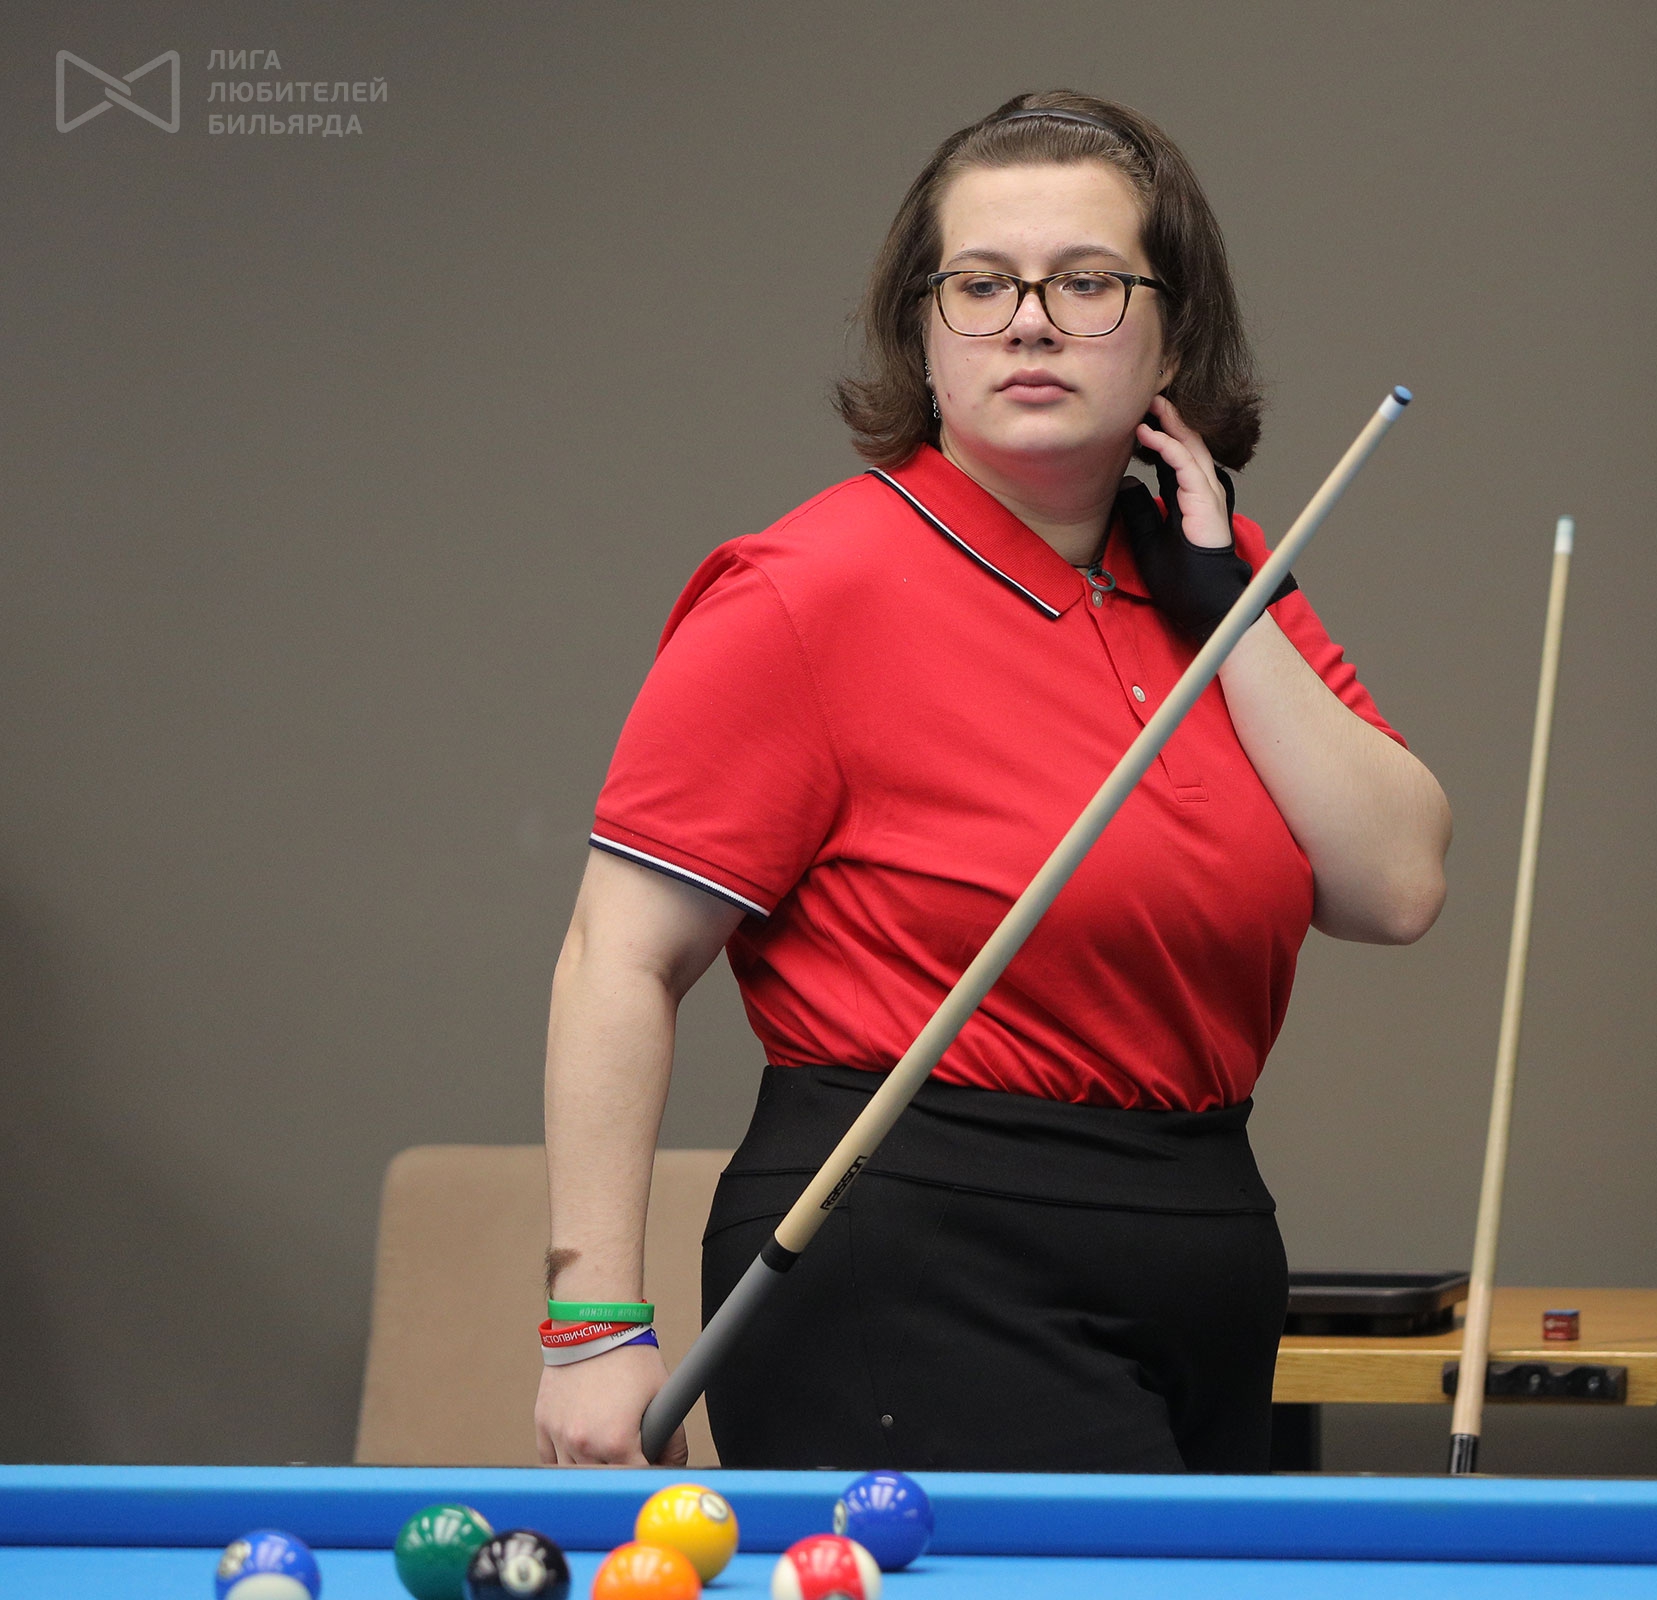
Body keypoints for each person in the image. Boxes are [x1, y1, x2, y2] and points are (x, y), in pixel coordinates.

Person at [534, 89, 1451, 1471]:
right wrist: (592, 1325)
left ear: (1172, 334)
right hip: (905, 1253)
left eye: (1087, 281)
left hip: (1205, 1243)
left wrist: (1224, 600)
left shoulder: (1222, 578)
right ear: (924, 331)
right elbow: (618, 955)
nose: (1029, 321)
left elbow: (1395, 885)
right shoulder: (806, 591)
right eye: (980, 284)